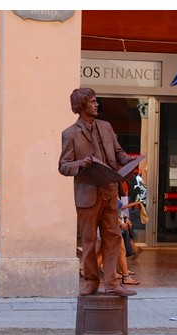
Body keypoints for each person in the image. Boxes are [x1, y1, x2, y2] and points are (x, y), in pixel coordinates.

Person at [58, 87, 137, 297]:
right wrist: (80, 164)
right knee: (89, 241)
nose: (97, 104)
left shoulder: (106, 126)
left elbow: (118, 152)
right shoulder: (70, 134)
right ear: (82, 106)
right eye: (93, 102)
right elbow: (63, 166)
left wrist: (129, 161)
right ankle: (91, 281)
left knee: (113, 236)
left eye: (96, 101)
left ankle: (112, 282)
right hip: (87, 194)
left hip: (109, 190)